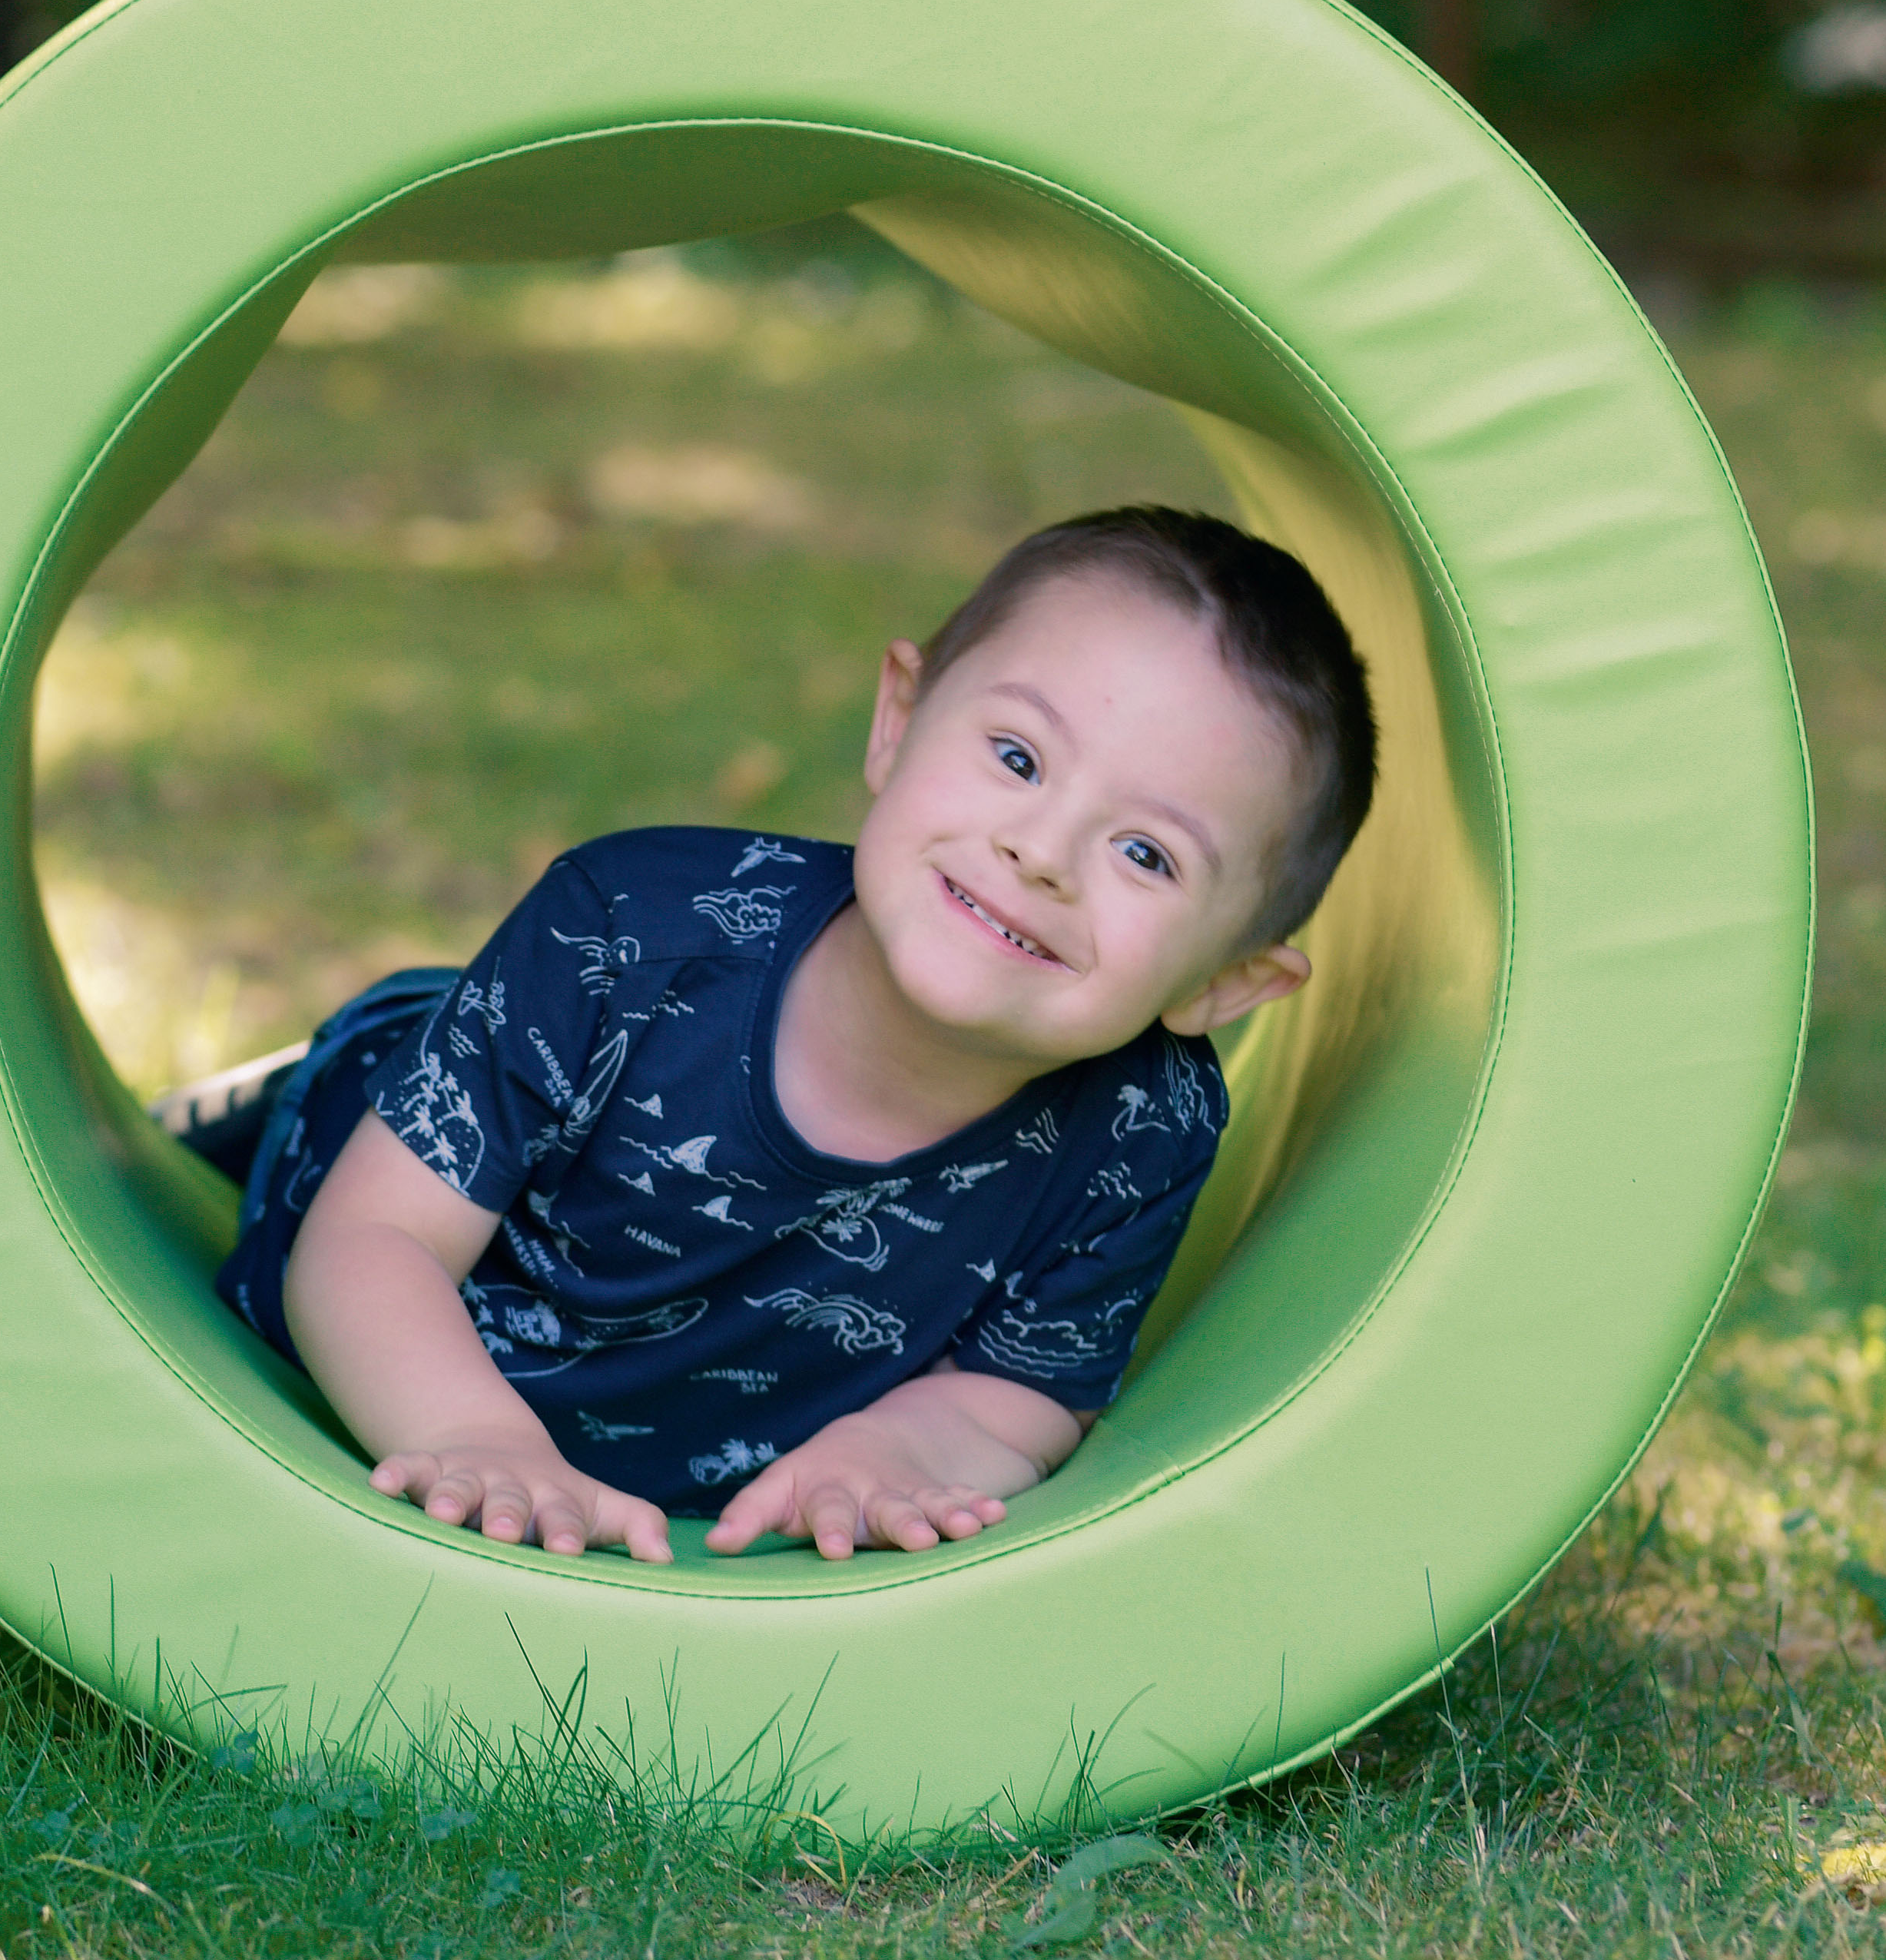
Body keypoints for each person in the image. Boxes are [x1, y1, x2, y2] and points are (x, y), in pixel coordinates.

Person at [164, 506, 1374, 1568]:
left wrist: (892, 1449)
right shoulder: (627, 930)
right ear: (898, 720)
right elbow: (374, 1239)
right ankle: (274, 1087)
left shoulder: (1148, 1126)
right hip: (384, 1160)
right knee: (386, 1064)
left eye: (1147, 855)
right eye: (1015, 758)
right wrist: (474, 1440)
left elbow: (1021, 1392)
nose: (1040, 854)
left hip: (659, 1358)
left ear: (1227, 982)